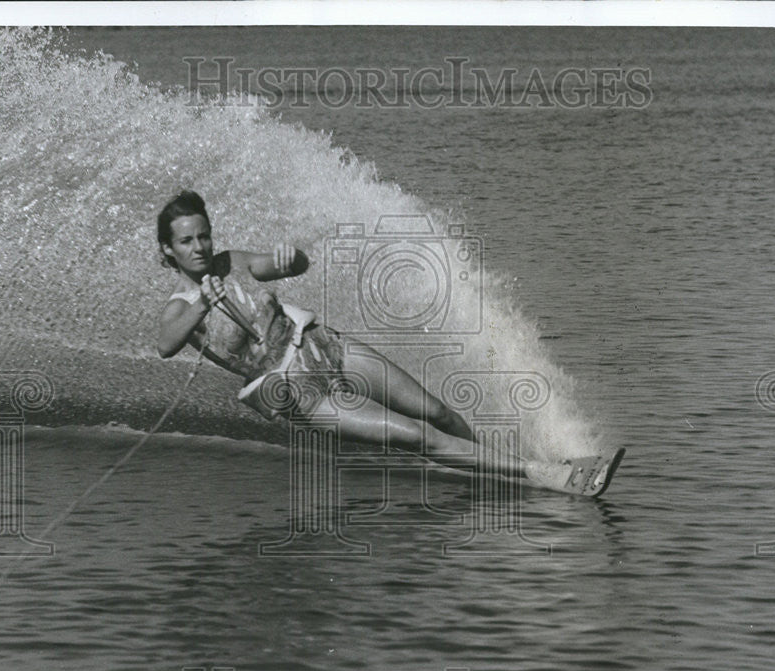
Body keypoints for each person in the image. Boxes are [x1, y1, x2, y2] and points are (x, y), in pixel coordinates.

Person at [156, 190, 575, 487]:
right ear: (169, 250)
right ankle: (538, 473)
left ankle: (495, 467)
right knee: (417, 435)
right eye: (187, 241)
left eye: (204, 235)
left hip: (323, 345)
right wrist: (201, 306)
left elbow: (289, 267)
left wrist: (291, 257)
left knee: (437, 412)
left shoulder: (233, 263)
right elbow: (165, 345)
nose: (200, 247)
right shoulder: (181, 306)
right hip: (297, 392)